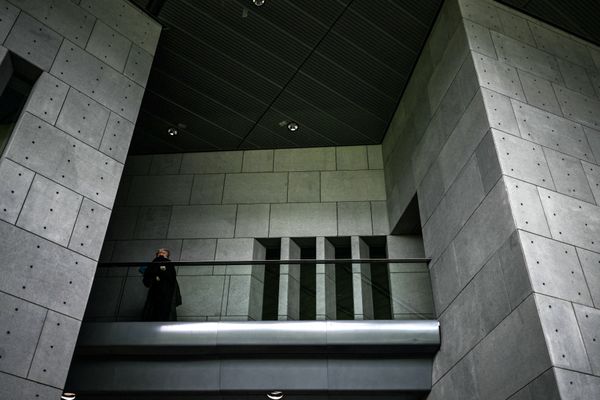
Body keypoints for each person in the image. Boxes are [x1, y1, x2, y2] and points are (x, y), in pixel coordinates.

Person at [142, 248, 182, 321]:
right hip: (158, 290)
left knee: (161, 309)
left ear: (167, 255)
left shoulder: (166, 263)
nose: (161, 254)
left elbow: (171, 277)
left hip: (164, 290)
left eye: (163, 253)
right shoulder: (156, 263)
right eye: (159, 253)